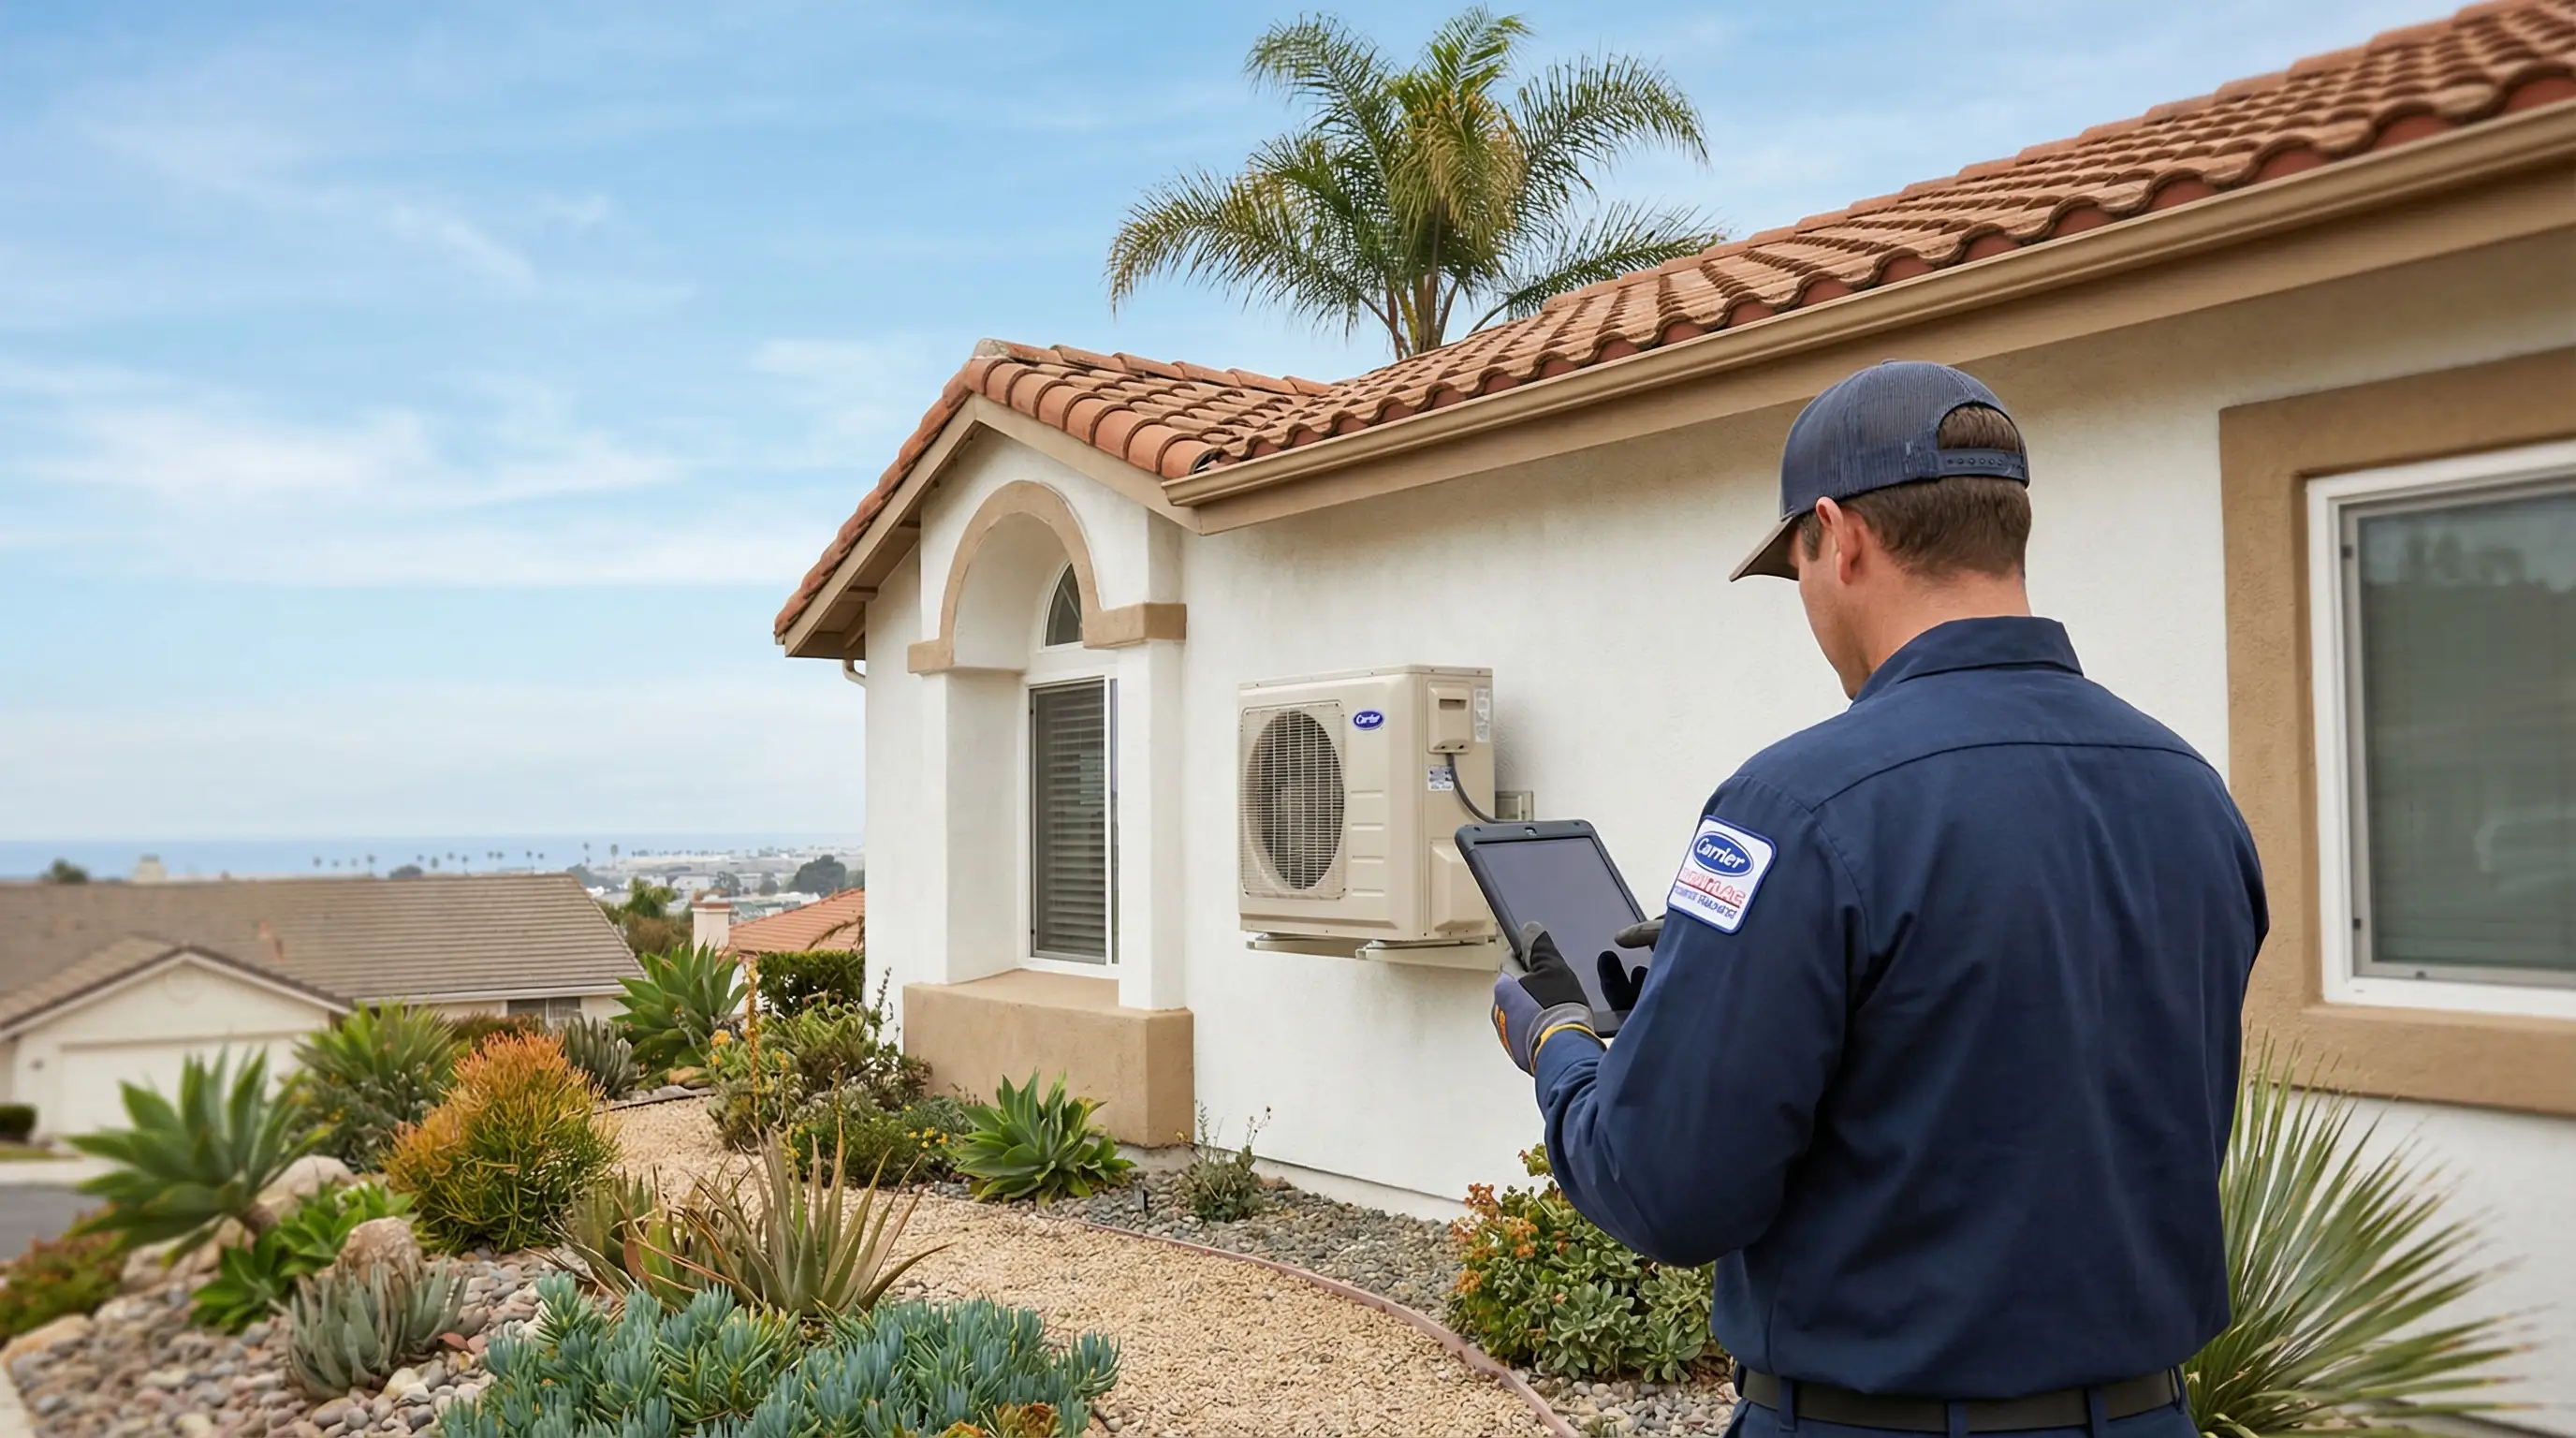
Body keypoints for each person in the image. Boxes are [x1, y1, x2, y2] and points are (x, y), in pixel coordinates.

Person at [1488, 360, 2267, 1436]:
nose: (1808, 603)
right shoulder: (2191, 794)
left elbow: (1665, 1189)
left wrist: (1562, 1042)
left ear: (1837, 537)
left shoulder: (1794, 807)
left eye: (1798, 567)